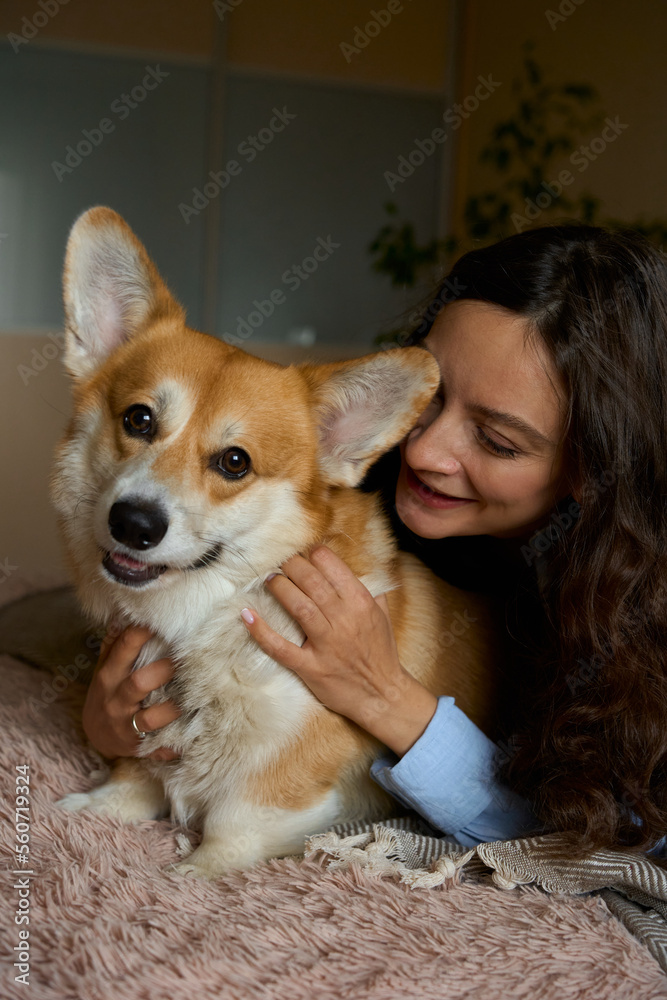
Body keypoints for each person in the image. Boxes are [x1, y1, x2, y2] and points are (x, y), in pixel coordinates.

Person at [83, 224, 667, 856]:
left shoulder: (642, 624)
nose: (423, 450)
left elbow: (625, 842)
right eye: (431, 397)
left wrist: (386, 698)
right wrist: (110, 730)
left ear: (595, 469)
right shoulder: (336, 485)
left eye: (497, 441)